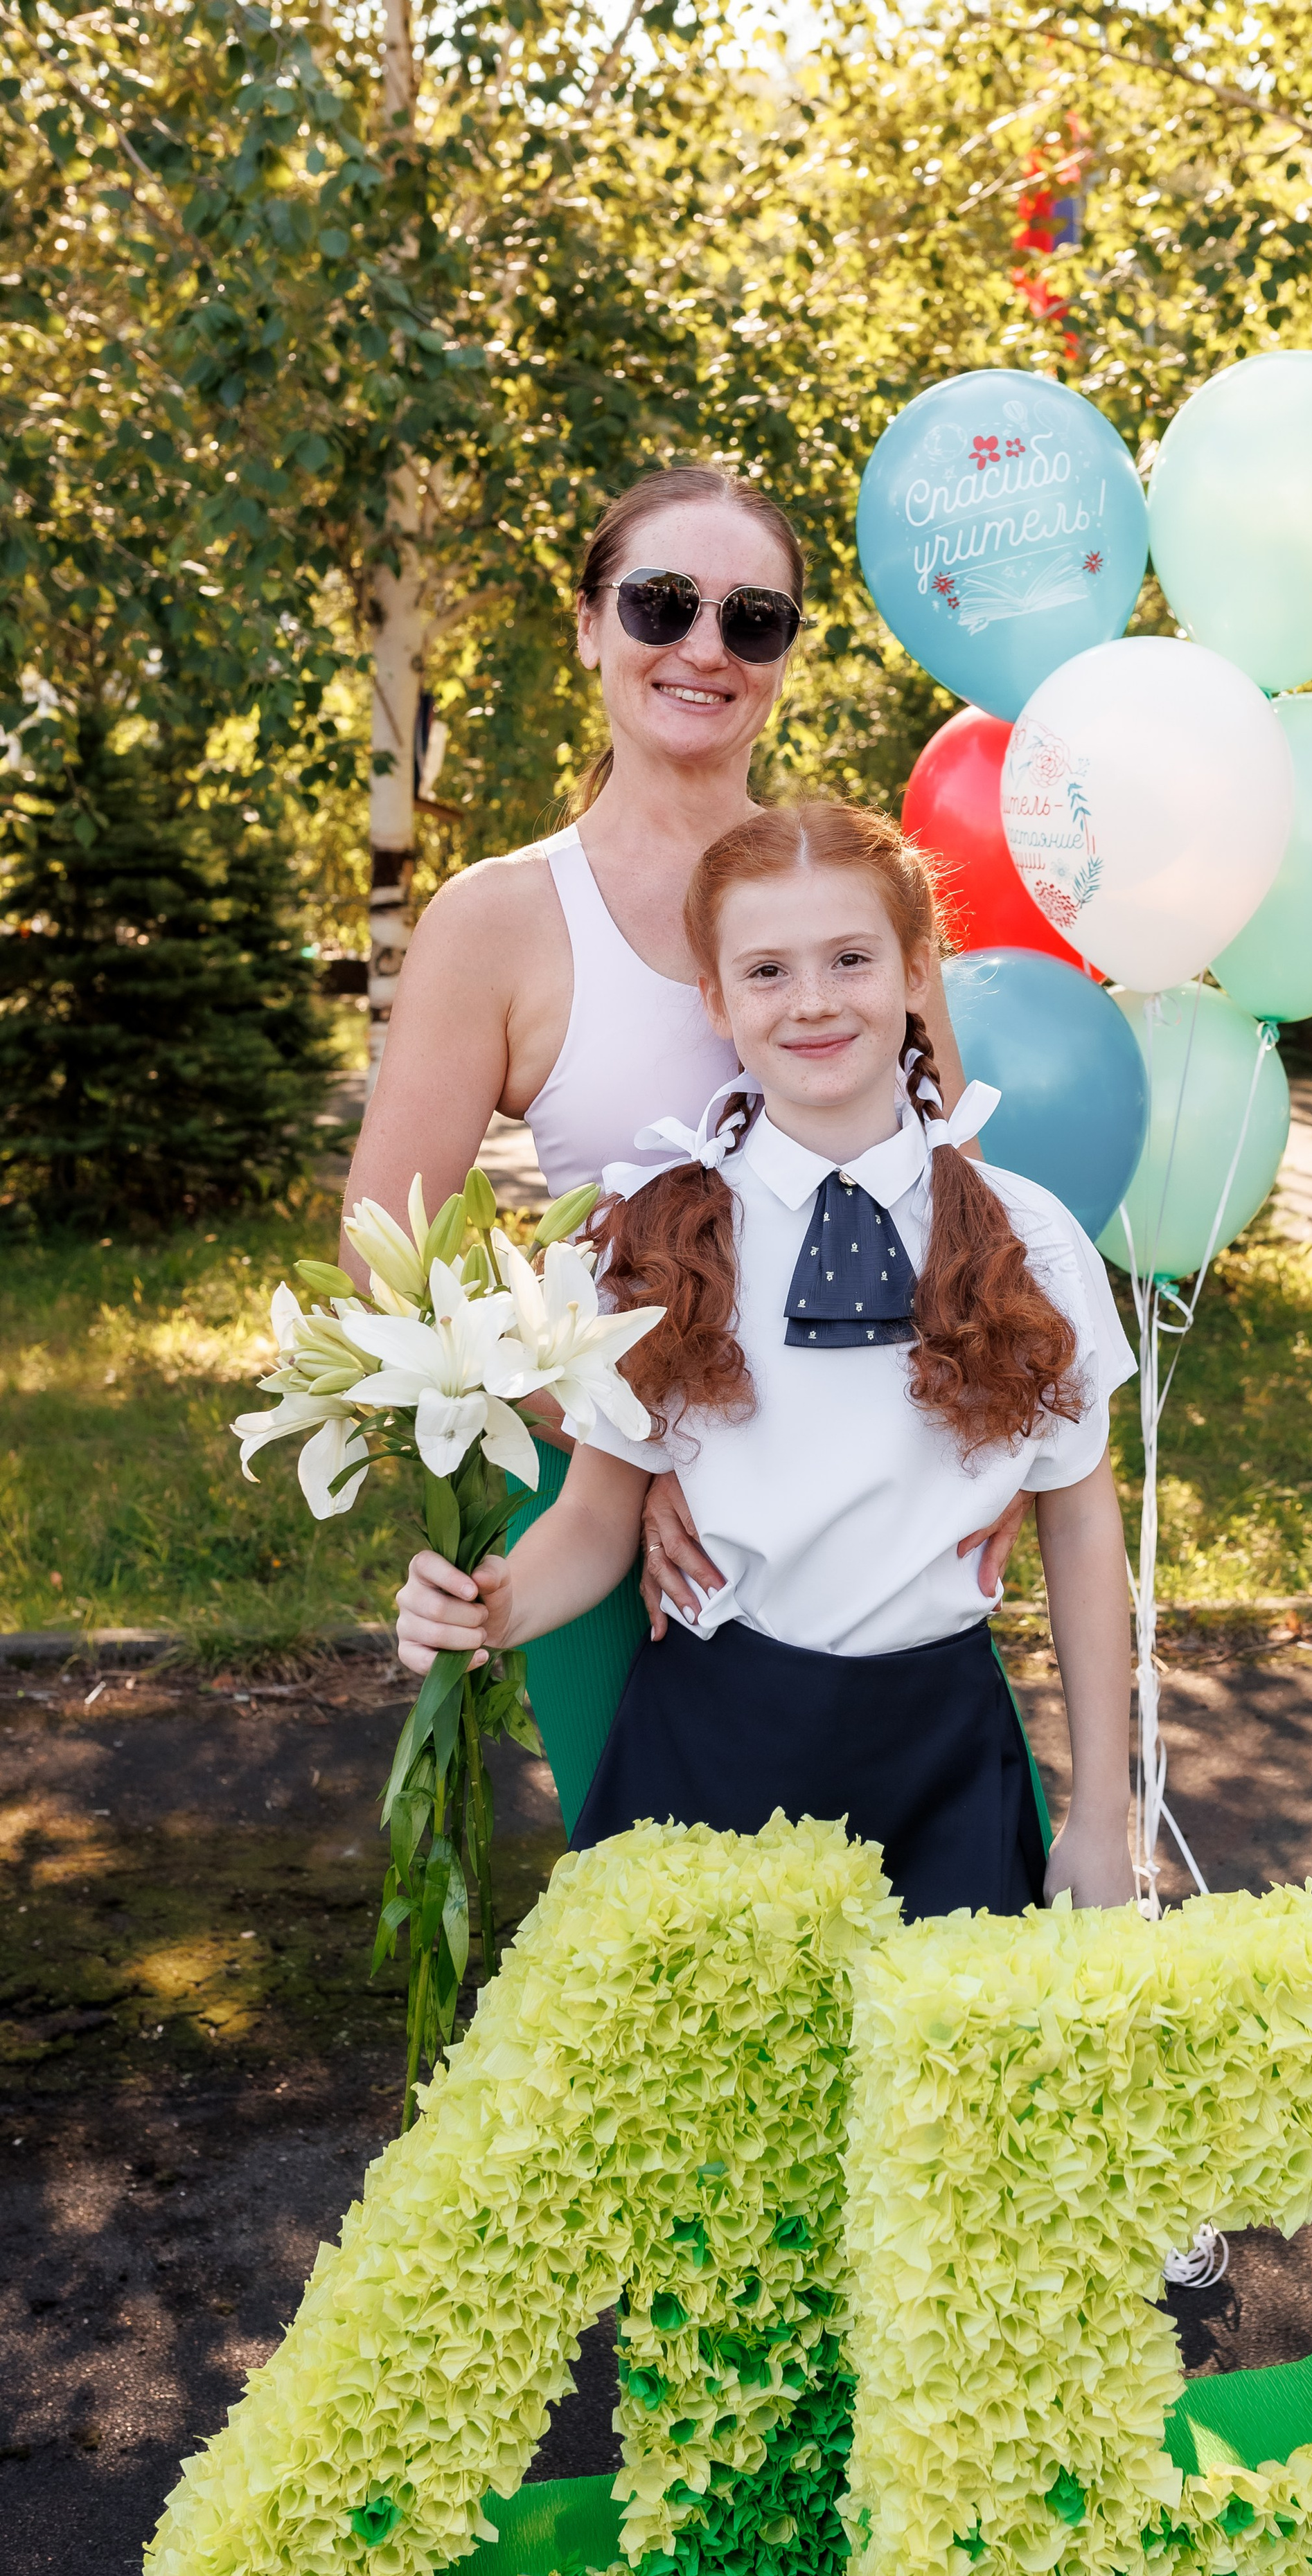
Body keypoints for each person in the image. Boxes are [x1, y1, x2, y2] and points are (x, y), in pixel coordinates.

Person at [342, 465, 1023, 1833]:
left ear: (783, 656)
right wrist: (637, 1452)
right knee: (663, 1927)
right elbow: (385, 1266)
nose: (703, 647)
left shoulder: (856, 900)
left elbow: (957, 1218)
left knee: (928, 1928)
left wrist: (994, 1458)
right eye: (662, 603)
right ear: (590, 625)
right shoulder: (500, 920)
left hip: (869, 1501)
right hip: (610, 1502)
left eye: (752, 618)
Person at [393, 802, 1137, 1915]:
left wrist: (1102, 1821)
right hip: (705, 1751)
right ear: (717, 1001)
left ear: (917, 970)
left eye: (851, 959)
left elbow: (1080, 1526)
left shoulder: (1032, 1241)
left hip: (944, 1753)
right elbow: (599, 1519)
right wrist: (490, 1608)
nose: (815, 1001)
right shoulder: (657, 1245)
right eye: (768, 972)